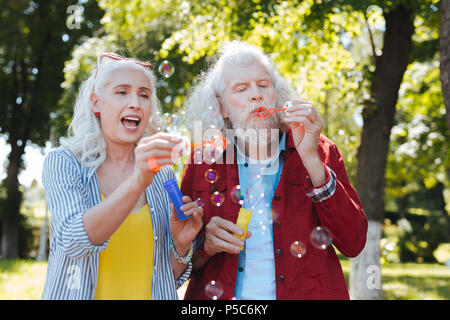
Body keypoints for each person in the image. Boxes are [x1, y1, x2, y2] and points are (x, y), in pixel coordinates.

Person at [180, 41, 368, 300]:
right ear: (222, 107)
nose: (255, 94)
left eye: (263, 85)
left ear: (276, 95)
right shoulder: (203, 160)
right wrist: (204, 247)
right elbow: (178, 263)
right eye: (241, 88)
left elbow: (354, 243)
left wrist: (313, 161)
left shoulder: (319, 149)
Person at [41, 52, 203, 300]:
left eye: (144, 95)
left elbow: (165, 278)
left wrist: (181, 244)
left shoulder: (162, 174)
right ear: (96, 103)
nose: (135, 102)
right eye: (122, 92)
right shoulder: (65, 162)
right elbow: (72, 241)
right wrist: (138, 181)